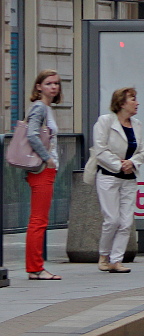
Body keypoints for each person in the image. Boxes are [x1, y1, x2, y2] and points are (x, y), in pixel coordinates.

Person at [92, 87, 144, 273]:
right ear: (122, 103)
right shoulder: (105, 122)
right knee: (112, 219)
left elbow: (143, 152)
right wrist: (118, 164)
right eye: (133, 99)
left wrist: (132, 162)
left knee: (126, 221)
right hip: (109, 176)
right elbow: (100, 149)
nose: (137, 103)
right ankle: (103, 256)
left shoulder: (137, 125)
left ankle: (116, 260)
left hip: (129, 178)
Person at [24, 69, 62, 280]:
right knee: (38, 220)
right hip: (41, 168)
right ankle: (36, 268)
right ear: (39, 87)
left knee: (39, 219)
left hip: (45, 168)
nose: (54, 87)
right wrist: (47, 157)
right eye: (48, 83)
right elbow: (31, 134)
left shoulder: (46, 108)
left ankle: (35, 267)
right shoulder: (39, 107)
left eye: (56, 83)